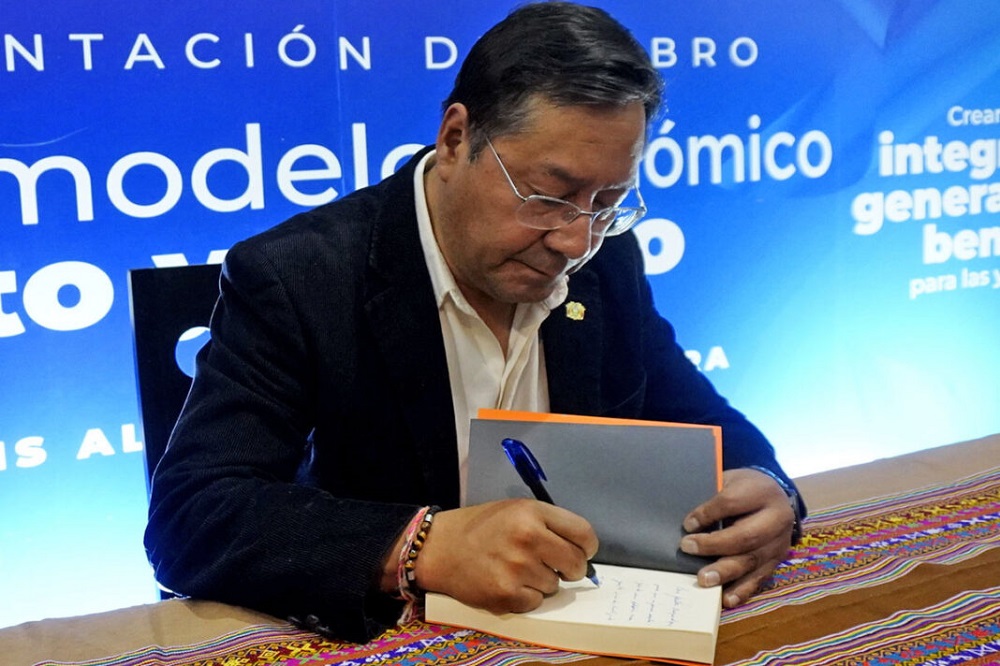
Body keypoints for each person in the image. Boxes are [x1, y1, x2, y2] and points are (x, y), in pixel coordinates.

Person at [145, 1, 805, 643]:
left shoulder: (606, 258)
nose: (575, 240)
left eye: (607, 202)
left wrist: (770, 489)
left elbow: (703, 422)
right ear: (456, 138)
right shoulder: (301, 278)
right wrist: (419, 546)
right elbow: (191, 516)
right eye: (547, 196)